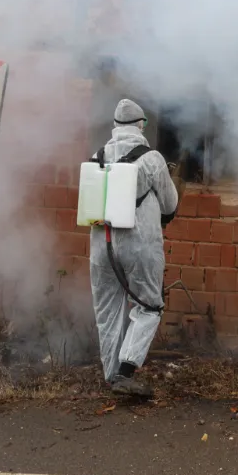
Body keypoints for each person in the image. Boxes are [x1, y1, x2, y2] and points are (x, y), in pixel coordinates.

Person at [89, 99, 178, 398]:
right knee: (149, 306)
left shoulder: (97, 157)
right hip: (139, 246)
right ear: (141, 125)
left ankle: (112, 376)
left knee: (108, 310)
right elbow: (170, 204)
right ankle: (126, 372)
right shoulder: (151, 159)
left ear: (115, 126)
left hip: (102, 247)